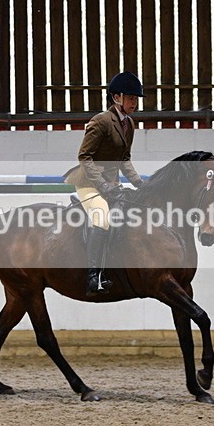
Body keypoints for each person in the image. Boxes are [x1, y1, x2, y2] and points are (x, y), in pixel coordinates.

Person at [64, 71, 145, 297]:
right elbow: (84, 157)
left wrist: (140, 183)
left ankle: (113, 269)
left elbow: (124, 159)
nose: (134, 103)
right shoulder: (100, 121)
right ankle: (92, 275)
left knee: (126, 216)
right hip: (89, 183)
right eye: (130, 98)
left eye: (136, 99)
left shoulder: (129, 124)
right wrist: (103, 184)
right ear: (116, 98)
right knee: (101, 215)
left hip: (111, 184)